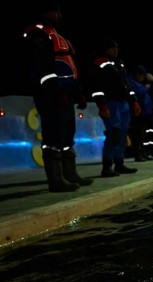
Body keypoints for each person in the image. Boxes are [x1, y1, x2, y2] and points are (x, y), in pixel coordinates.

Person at [22, 1, 93, 192]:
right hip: (51, 93)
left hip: (66, 91)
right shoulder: (38, 34)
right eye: (56, 12)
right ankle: (56, 179)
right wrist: (55, 90)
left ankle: (70, 174)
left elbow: (71, 66)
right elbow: (42, 66)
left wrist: (78, 93)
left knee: (67, 133)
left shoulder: (58, 35)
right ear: (48, 13)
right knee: (53, 135)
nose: (59, 16)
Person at [91, 39, 141, 177]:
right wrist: (101, 105)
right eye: (112, 48)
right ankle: (107, 166)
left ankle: (119, 163)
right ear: (106, 49)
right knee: (114, 133)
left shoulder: (119, 63)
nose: (115, 50)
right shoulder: (100, 62)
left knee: (122, 134)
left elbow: (127, 85)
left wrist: (134, 101)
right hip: (111, 102)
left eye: (116, 48)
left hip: (124, 103)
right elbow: (96, 85)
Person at [126, 65, 153, 162]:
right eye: (141, 75)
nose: (143, 77)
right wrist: (146, 87)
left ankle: (143, 152)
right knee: (137, 135)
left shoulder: (139, 83)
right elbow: (138, 93)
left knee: (142, 135)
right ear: (137, 74)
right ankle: (138, 154)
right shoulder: (132, 82)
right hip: (138, 113)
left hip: (144, 113)